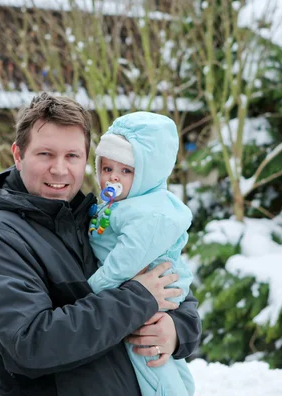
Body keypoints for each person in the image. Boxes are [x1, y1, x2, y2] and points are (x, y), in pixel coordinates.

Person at [0, 92, 202, 396]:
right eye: (45, 154)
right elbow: (31, 344)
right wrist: (138, 300)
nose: (60, 169)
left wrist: (176, 330)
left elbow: (170, 284)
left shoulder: (94, 219)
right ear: (18, 155)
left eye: (72, 156)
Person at [88, 112, 195, 395]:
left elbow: (127, 260)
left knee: (148, 355)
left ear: (148, 174)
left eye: (126, 171)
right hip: (137, 293)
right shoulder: (125, 203)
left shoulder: (148, 212)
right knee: (165, 363)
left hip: (152, 294)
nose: (113, 178)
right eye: (107, 168)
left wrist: (94, 287)